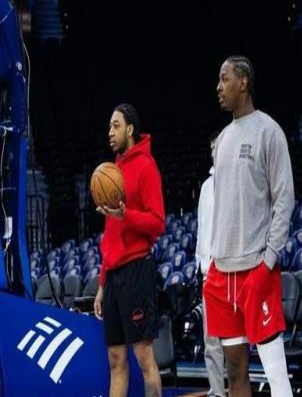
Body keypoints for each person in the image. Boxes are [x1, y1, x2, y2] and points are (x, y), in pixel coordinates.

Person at [203, 55, 295, 397]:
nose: (219, 86)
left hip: (256, 268)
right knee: (235, 370)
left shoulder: (269, 131)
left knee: (275, 372)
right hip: (221, 274)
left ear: (243, 82)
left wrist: (268, 260)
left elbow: (284, 199)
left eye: (224, 78)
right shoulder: (222, 139)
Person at [94, 103, 165, 397]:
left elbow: (158, 223)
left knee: (144, 357)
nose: (110, 132)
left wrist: (127, 215)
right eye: (109, 127)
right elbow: (110, 236)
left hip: (137, 271)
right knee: (116, 359)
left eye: (116, 126)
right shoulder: (112, 171)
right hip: (113, 276)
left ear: (131, 130)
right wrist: (102, 284)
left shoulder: (146, 167)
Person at [196, 130, 225, 397]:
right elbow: (202, 228)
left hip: (233, 271)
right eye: (212, 148)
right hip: (209, 274)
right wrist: (200, 262)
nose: (215, 152)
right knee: (211, 340)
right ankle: (216, 391)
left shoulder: (237, 182)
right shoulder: (206, 187)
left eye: (219, 147)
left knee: (237, 341)